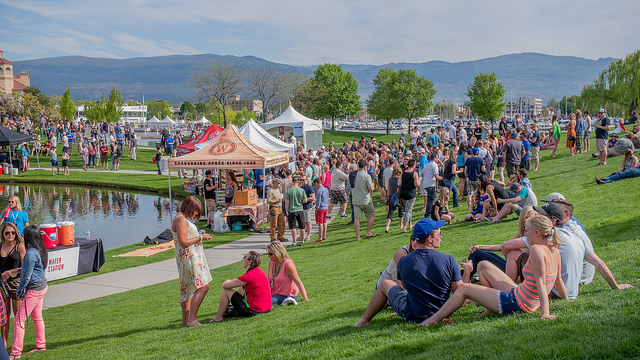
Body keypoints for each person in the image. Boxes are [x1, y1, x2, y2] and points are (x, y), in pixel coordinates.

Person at [421, 215, 567, 326]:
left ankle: (430, 321)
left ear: (537, 233)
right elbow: (558, 279)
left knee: (463, 289)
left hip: (518, 302)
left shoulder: (536, 249)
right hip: (522, 295)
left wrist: (545, 313)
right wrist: (567, 300)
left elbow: (541, 282)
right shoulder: (554, 250)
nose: (524, 234)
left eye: (526, 231)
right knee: (483, 265)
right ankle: (489, 309)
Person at [353, 218, 462, 327]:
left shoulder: (404, 261)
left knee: (385, 283)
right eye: (439, 234)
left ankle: (364, 320)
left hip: (414, 315)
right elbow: (458, 291)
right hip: (443, 311)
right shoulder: (448, 259)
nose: (441, 237)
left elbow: (405, 286)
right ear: (429, 239)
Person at [171, 196, 212, 327]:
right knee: (203, 287)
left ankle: (186, 320)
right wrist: (200, 237)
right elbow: (183, 242)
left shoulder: (180, 218)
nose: (196, 214)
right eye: (195, 211)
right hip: (189, 258)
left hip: (186, 258)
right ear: (189, 207)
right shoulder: (181, 220)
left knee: (186, 289)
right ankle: (192, 319)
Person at [10, 225, 49, 359]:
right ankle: (41, 345)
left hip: (34, 289)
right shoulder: (40, 250)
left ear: (28, 236)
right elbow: (36, 269)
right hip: (41, 286)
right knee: (37, 317)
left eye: (23, 234)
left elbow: (27, 276)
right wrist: (17, 270)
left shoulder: (31, 253)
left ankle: (15, 353)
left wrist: (20, 290)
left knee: (18, 321)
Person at [210, 251, 271, 322]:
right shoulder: (259, 272)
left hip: (254, 311)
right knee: (241, 288)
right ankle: (229, 311)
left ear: (249, 262)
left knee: (226, 290)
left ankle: (218, 317)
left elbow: (225, 285)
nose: (243, 258)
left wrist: (227, 280)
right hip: (266, 309)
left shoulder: (248, 276)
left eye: (245, 257)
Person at [0, 222, 25, 348]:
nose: (10, 235)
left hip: (16, 283)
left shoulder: (19, 246)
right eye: (7, 233)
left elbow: (25, 266)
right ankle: (4, 344)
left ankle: (17, 345)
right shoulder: (0, 246)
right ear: (3, 234)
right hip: (2, 284)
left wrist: (11, 272)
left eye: (13, 233)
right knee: (3, 316)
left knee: (17, 315)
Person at [265, 242, 309, 306]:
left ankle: (289, 300)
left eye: (270, 254)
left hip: (286, 294)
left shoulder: (288, 264)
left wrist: (306, 299)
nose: (268, 256)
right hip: (273, 293)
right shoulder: (272, 263)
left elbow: (298, 282)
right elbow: (269, 281)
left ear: (278, 253)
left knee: (265, 303)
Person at [352, 160, 376, 241]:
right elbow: (370, 188)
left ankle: (358, 237)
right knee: (371, 215)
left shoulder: (353, 175)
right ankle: (368, 232)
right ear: (365, 167)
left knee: (357, 219)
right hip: (365, 200)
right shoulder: (367, 176)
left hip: (355, 200)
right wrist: (372, 188)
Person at [398, 159, 420, 233]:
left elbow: (399, 184)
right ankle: (404, 228)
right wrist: (419, 179)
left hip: (403, 193)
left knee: (408, 209)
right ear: (413, 165)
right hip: (411, 194)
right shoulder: (414, 173)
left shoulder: (403, 173)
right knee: (408, 210)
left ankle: (410, 224)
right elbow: (417, 184)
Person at [285, 176, 307, 247]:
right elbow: (305, 200)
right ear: (298, 182)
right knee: (302, 226)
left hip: (292, 210)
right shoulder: (301, 190)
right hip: (300, 209)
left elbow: (287, 203)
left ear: (292, 182)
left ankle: (294, 242)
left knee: (293, 227)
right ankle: (302, 241)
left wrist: (286, 211)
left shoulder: (289, 191)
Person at [421, 152, 440, 218]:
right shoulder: (434, 165)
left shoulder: (426, 165)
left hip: (425, 184)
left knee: (430, 199)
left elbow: (422, 174)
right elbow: (436, 176)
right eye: (437, 158)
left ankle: (428, 213)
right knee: (434, 199)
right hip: (431, 184)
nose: (438, 159)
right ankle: (433, 213)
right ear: (435, 158)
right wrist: (443, 178)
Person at [385, 166, 404, 233]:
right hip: (399, 196)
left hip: (391, 196)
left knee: (391, 212)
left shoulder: (390, 179)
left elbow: (388, 189)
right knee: (401, 211)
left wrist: (387, 197)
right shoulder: (400, 179)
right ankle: (401, 225)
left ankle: (387, 226)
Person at [313, 178, 329, 243]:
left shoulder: (319, 191)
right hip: (325, 207)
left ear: (316, 183)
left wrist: (316, 208)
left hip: (320, 208)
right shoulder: (326, 189)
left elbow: (318, 200)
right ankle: (324, 236)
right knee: (324, 222)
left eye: (315, 184)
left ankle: (320, 237)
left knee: (320, 223)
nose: (315, 186)